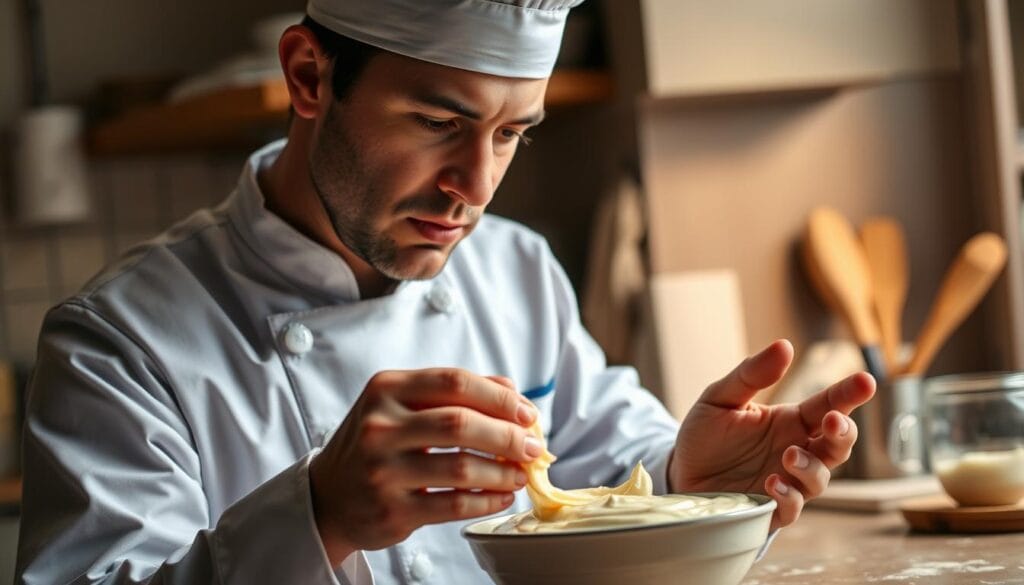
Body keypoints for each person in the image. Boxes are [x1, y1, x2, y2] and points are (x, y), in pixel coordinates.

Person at [15, 1, 875, 583]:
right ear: (309, 76)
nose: (476, 185)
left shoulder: (517, 271)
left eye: (512, 135)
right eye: (439, 124)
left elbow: (613, 466)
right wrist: (318, 513)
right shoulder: (117, 344)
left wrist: (693, 479)